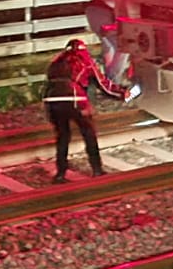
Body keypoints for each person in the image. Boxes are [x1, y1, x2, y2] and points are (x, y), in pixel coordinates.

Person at [43, 37, 134, 183]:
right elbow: (103, 85)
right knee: (88, 133)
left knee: (63, 136)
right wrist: (122, 94)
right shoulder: (85, 61)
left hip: (51, 100)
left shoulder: (55, 62)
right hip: (75, 98)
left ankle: (60, 174)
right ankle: (97, 170)